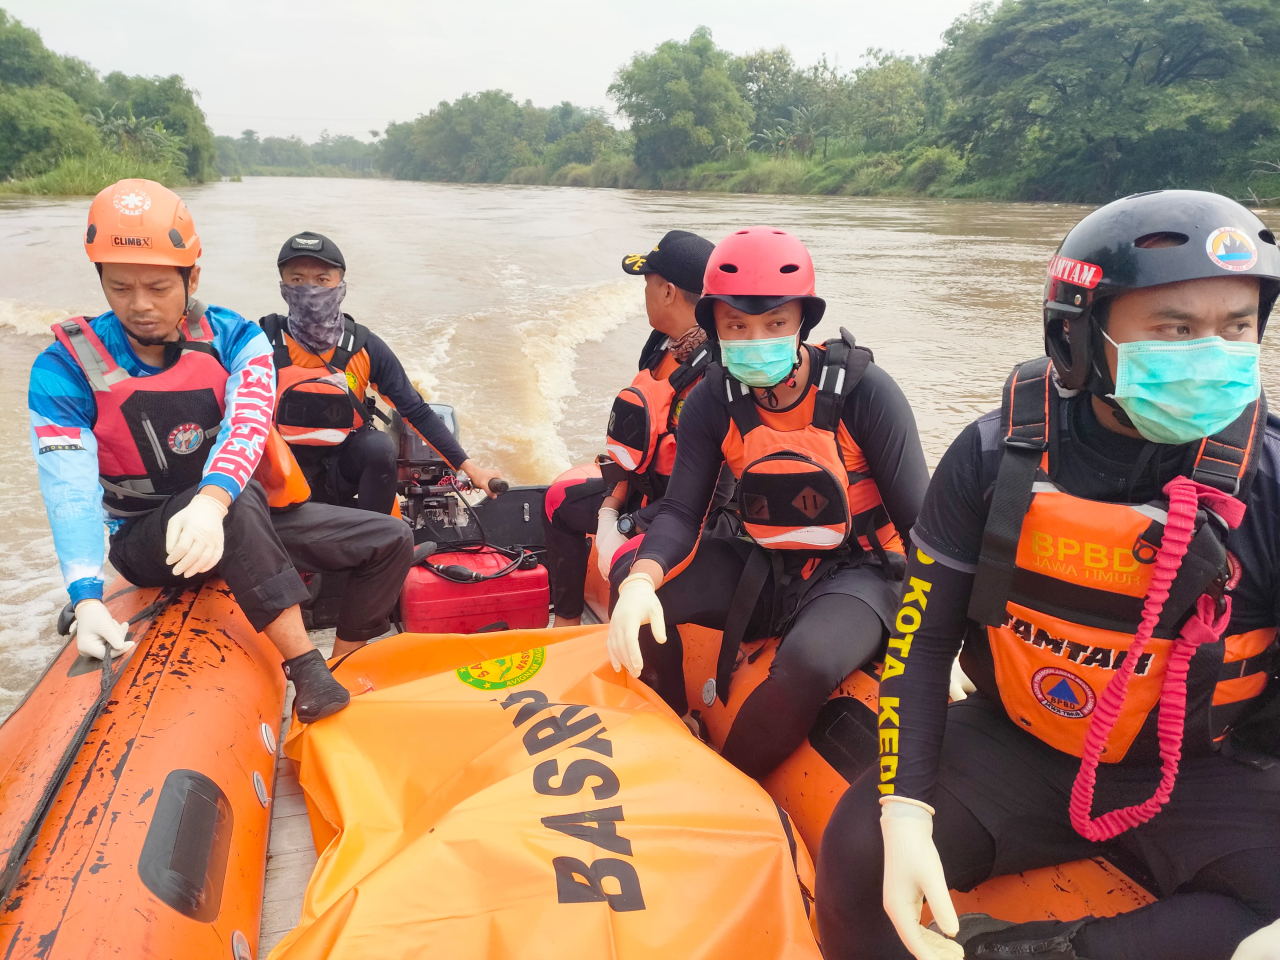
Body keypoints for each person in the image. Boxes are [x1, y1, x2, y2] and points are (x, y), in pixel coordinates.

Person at [816, 190, 1280, 960]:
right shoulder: (994, 454)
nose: (1214, 355)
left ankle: (1045, 950)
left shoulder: (1267, 479)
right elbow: (923, 643)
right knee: (858, 853)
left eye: (1237, 327)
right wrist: (904, 812)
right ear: (1078, 337)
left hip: (1197, 768)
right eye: (1174, 328)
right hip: (1020, 743)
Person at [29, 180, 412, 718]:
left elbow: (247, 426)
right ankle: (307, 669)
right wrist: (87, 594)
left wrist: (211, 501)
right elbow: (66, 485)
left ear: (192, 277)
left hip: (227, 516)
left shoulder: (236, 338)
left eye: (159, 288)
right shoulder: (64, 365)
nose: (140, 306)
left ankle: (345, 659)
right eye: (120, 288)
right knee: (236, 503)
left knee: (391, 537)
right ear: (102, 281)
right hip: (148, 539)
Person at [605, 226, 930, 778]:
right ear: (713, 326)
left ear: (802, 320)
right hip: (769, 563)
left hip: (864, 570)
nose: (757, 338)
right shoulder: (713, 398)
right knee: (629, 583)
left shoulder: (865, 392)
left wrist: (933, 636)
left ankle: (727, 782)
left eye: (775, 323)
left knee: (808, 662)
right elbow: (684, 512)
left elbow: (924, 528)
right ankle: (679, 721)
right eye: (737, 325)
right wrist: (641, 580)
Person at [544, 229, 728, 626]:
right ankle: (566, 625)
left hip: (690, 513)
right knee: (558, 500)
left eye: (648, 283)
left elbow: (716, 495)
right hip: (641, 491)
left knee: (629, 561)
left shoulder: (718, 375)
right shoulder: (661, 344)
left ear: (667, 292)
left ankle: (614, 660)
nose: (643, 292)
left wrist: (626, 526)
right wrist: (611, 507)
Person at [261, 231, 503, 512]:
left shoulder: (364, 346)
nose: (310, 290)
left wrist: (471, 468)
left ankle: (374, 540)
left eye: (322, 280)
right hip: (281, 472)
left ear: (340, 285)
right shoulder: (260, 342)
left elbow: (416, 411)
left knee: (378, 446)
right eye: (297, 279)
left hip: (344, 472)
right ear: (283, 286)